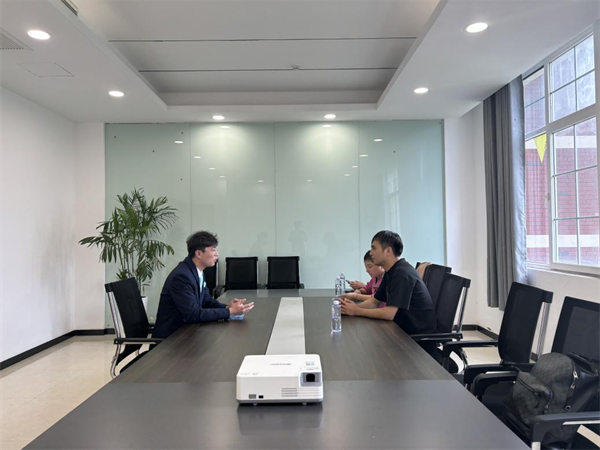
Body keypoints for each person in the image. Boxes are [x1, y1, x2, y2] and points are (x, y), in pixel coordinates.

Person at [339, 230, 437, 354]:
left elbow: (389, 313)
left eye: (374, 248)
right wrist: (349, 309)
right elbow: (374, 302)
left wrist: (356, 311)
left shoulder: (402, 273)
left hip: (417, 343)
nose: (371, 252)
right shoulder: (391, 271)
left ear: (388, 251)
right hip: (401, 332)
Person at [152, 231, 254, 340]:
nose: (217, 254)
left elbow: (206, 300)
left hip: (187, 332)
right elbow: (193, 314)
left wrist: (226, 307)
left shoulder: (197, 271)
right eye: (213, 250)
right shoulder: (181, 276)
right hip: (171, 339)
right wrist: (230, 312)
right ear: (199, 254)